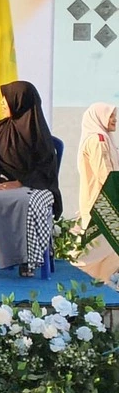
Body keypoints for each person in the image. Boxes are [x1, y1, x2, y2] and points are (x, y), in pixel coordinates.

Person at [0, 81, 61, 278]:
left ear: (19, 102)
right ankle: (10, 257)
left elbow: (45, 170)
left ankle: (29, 260)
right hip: (7, 185)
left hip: (38, 188)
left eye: (5, 100)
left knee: (29, 202)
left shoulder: (39, 134)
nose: (1, 104)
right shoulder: (0, 129)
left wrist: (21, 182)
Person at [73, 103, 119, 282]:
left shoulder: (104, 138)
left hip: (102, 197)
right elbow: (105, 173)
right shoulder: (98, 140)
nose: (115, 120)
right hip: (103, 199)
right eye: (111, 116)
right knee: (101, 245)